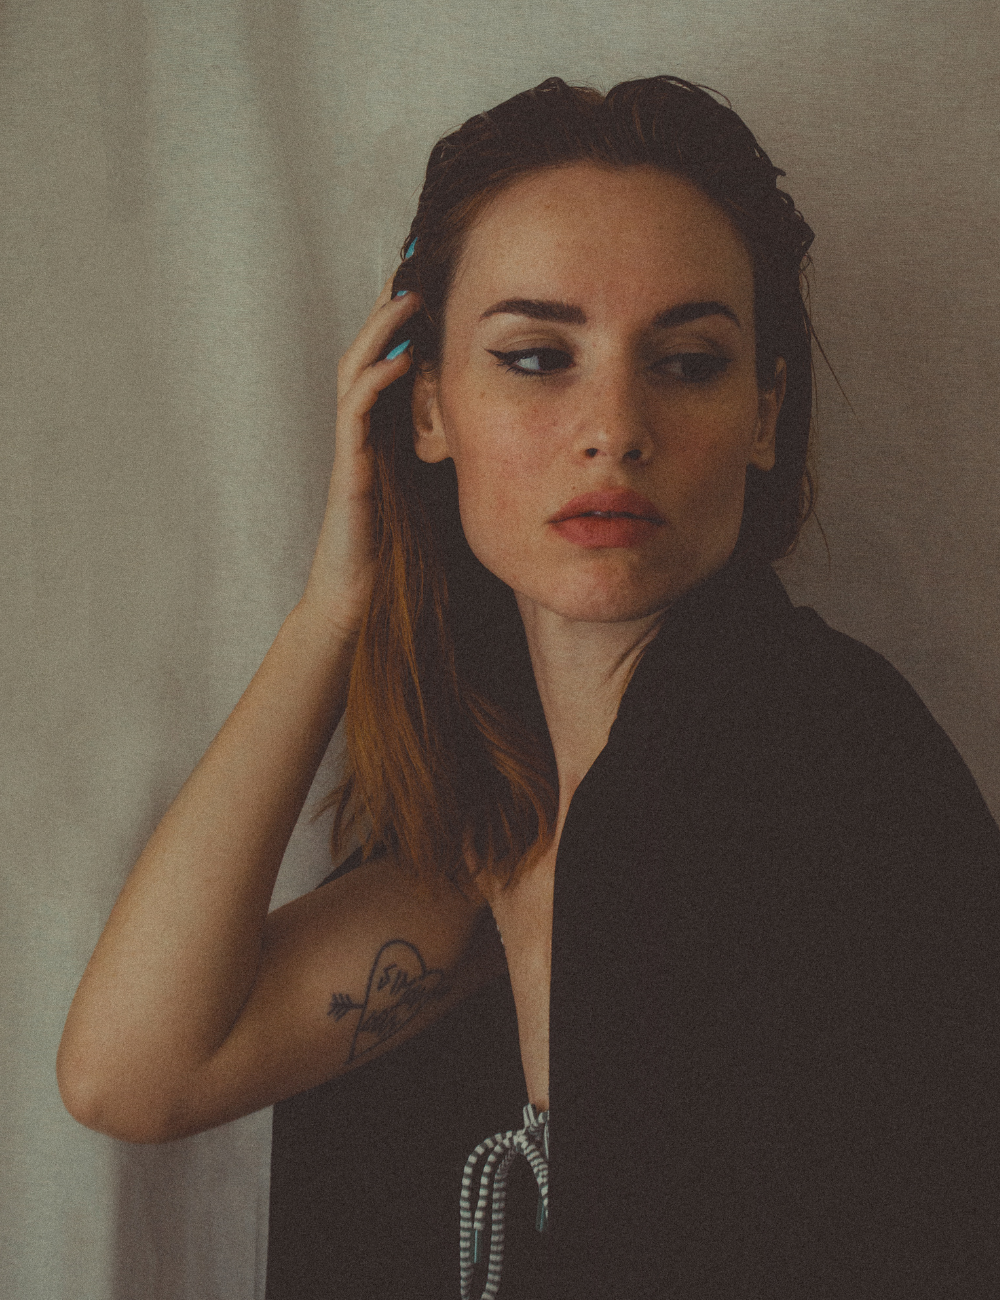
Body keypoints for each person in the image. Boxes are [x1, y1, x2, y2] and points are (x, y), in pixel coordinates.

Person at [57, 76, 1000, 1300]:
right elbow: (136, 1073)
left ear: (764, 413)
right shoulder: (498, 838)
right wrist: (330, 614)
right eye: (536, 357)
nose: (612, 426)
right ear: (427, 406)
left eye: (686, 361)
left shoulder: (832, 777)